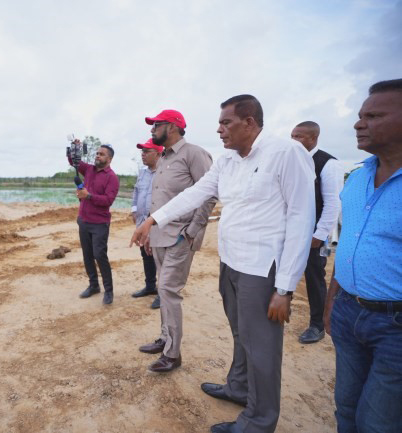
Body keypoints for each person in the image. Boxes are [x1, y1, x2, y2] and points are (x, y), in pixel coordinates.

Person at [131, 95, 315, 433]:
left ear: (250, 122)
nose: (219, 130)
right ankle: (239, 387)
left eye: (225, 123)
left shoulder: (286, 153)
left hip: (263, 269)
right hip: (231, 262)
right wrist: (153, 220)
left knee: (261, 346)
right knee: (239, 332)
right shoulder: (228, 160)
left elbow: (302, 218)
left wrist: (285, 288)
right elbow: (196, 193)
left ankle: (258, 420)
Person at [323, 78, 402, 433]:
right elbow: (349, 245)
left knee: (379, 422)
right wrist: (332, 302)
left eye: (373, 115)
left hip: (394, 327)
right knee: (346, 407)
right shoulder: (356, 178)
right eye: (359, 115)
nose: (358, 123)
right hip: (348, 312)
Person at [137, 109, 216, 373]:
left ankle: (173, 354)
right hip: (160, 235)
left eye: (155, 125)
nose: (151, 130)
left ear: (171, 126)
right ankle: (165, 337)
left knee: (169, 290)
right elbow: (158, 199)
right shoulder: (162, 159)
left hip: (181, 235)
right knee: (162, 289)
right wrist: (150, 230)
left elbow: (209, 194)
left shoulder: (194, 154)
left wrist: (192, 230)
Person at [291, 121, 343, 344]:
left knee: (313, 278)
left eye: (299, 136)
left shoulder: (327, 163)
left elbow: (333, 203)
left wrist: (319, 235)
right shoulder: (292, 160)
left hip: (314, 234)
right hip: (292, 230)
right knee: (283, 273)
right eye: (292, 136)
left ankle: (317, 325)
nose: (294, 140)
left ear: (313, 138)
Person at [68, 142, 119, 305]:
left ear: (109, 159)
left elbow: (108, 201)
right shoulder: (88, 169)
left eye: (102, 154)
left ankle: (109, 290)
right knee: (87, 255)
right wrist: (74, 147)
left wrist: (88, 196)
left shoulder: (112, 177)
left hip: (100, 223)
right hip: (84, 221)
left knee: (99, 255)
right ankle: (93, 286)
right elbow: (73, 162)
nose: (98, 155)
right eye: (97, 153)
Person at [130, 138, 163, 309]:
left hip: (158, 222)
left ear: (158, 154)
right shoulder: (143, 172)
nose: (142, 155)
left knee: (159, 256)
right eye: (142, 151)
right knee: (146, 253)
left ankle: (163, 293)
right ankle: (150, 285)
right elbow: (136, 192)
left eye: (146, 151)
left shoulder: (165, 172)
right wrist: (134, 209)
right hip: (142, 220)